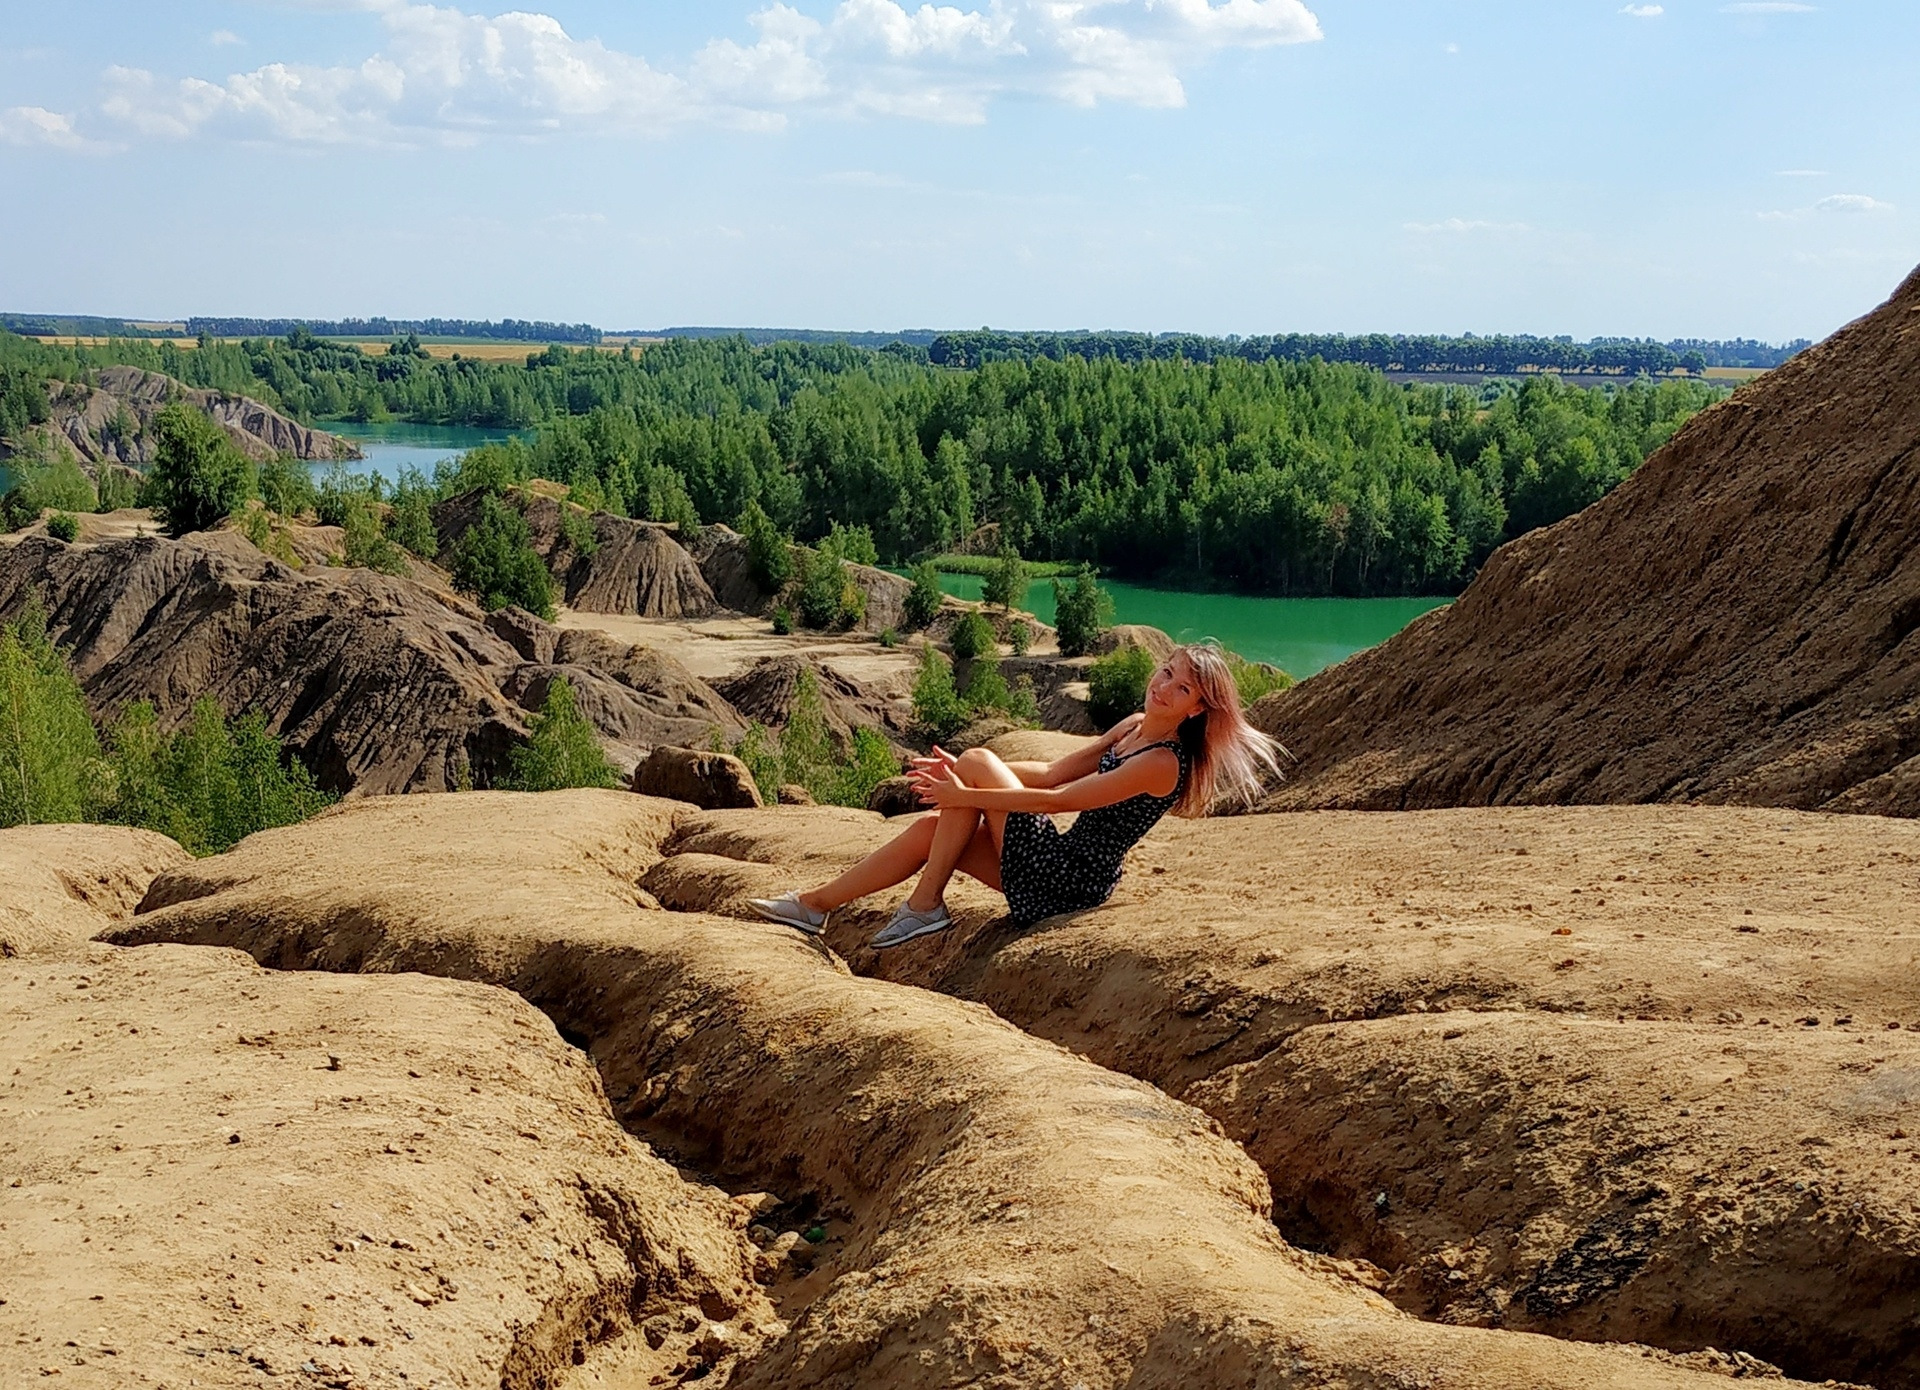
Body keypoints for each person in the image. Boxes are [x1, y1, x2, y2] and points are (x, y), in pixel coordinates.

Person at [749, 641, 1282, 949]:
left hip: (1072, 881)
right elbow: (1050, 773)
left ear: (1196, 709)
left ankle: (926, 905)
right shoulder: (1133, 727)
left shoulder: (1162, 763)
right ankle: (814, 907)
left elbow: (1058, 802)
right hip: (1051, 864)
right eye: (1166, 672)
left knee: (979, 767)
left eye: (1181, 687)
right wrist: (967, 776)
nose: (1163, 687)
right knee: (935, 827)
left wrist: (970, 785)